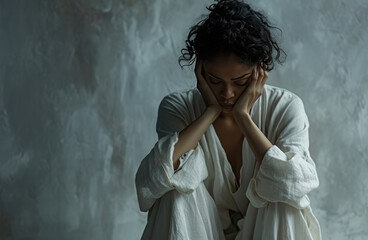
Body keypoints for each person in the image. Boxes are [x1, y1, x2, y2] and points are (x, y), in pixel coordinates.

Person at [135, 0, 321, 239]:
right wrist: (210, 111)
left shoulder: (285, 107)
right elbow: (156, 177)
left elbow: (294, 182)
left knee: (282, 194)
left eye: (241, 81)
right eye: (214, 80)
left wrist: (244, 118)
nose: (228, 94)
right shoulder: (178, 107)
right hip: (200, 231)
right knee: (176, 187)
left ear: (260, 69)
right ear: (200, 70)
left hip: (264, 231)